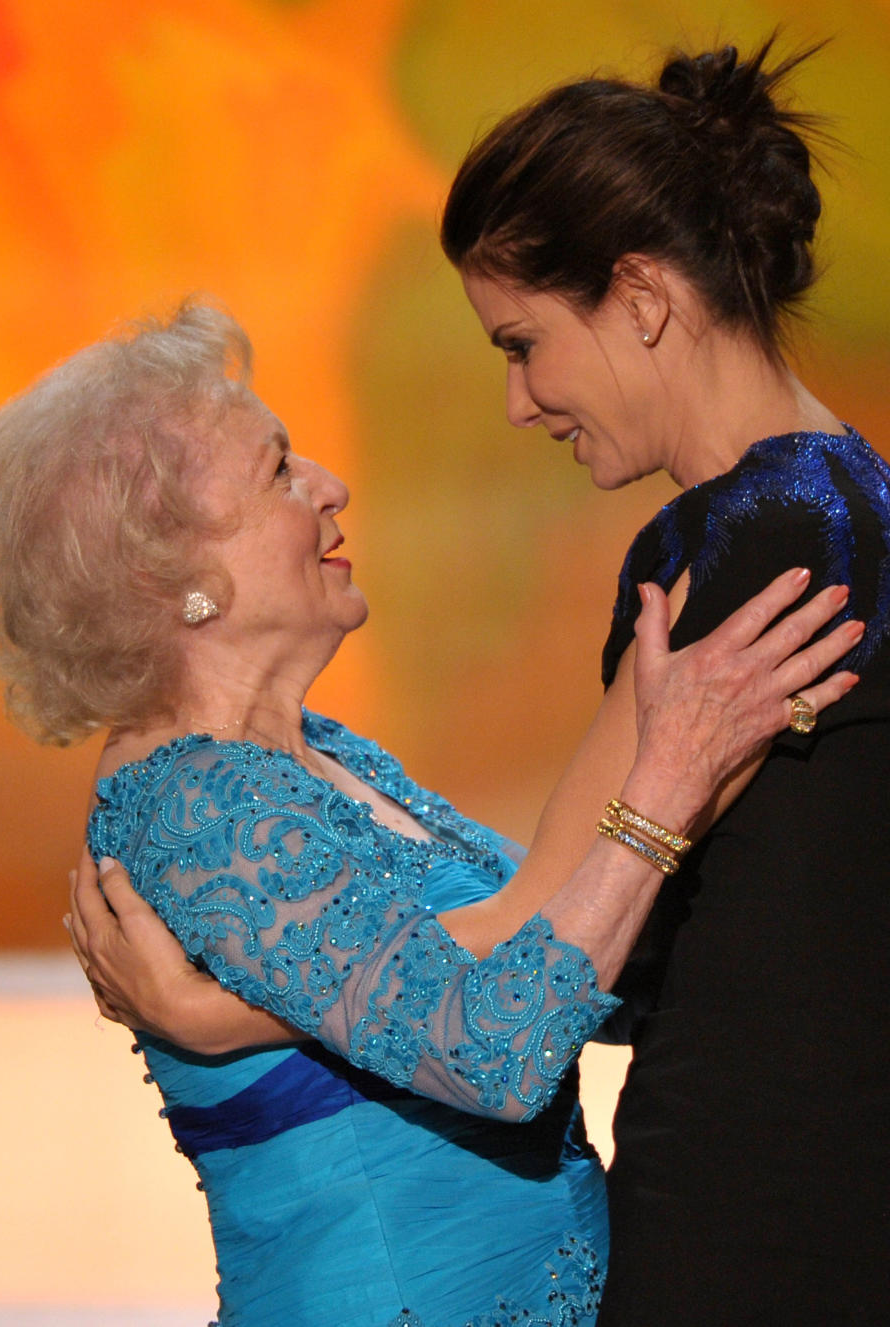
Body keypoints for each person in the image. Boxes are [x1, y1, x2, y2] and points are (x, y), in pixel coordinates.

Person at [0, 302, 855, 1327]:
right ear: (174, 578)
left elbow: (575, 964)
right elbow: (496, 1050)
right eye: (279, 471)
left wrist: (224, 1012)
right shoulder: (188, 806)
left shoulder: (332, 760)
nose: (330, 487)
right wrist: (670, 775)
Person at [439, 36, 890, 1327]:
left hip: (775, 1225)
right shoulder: (782, 514)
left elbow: (550, 919)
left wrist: (209, 988)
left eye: (524, 343)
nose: (520, 403)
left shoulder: (780, 536)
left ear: (640, 295)